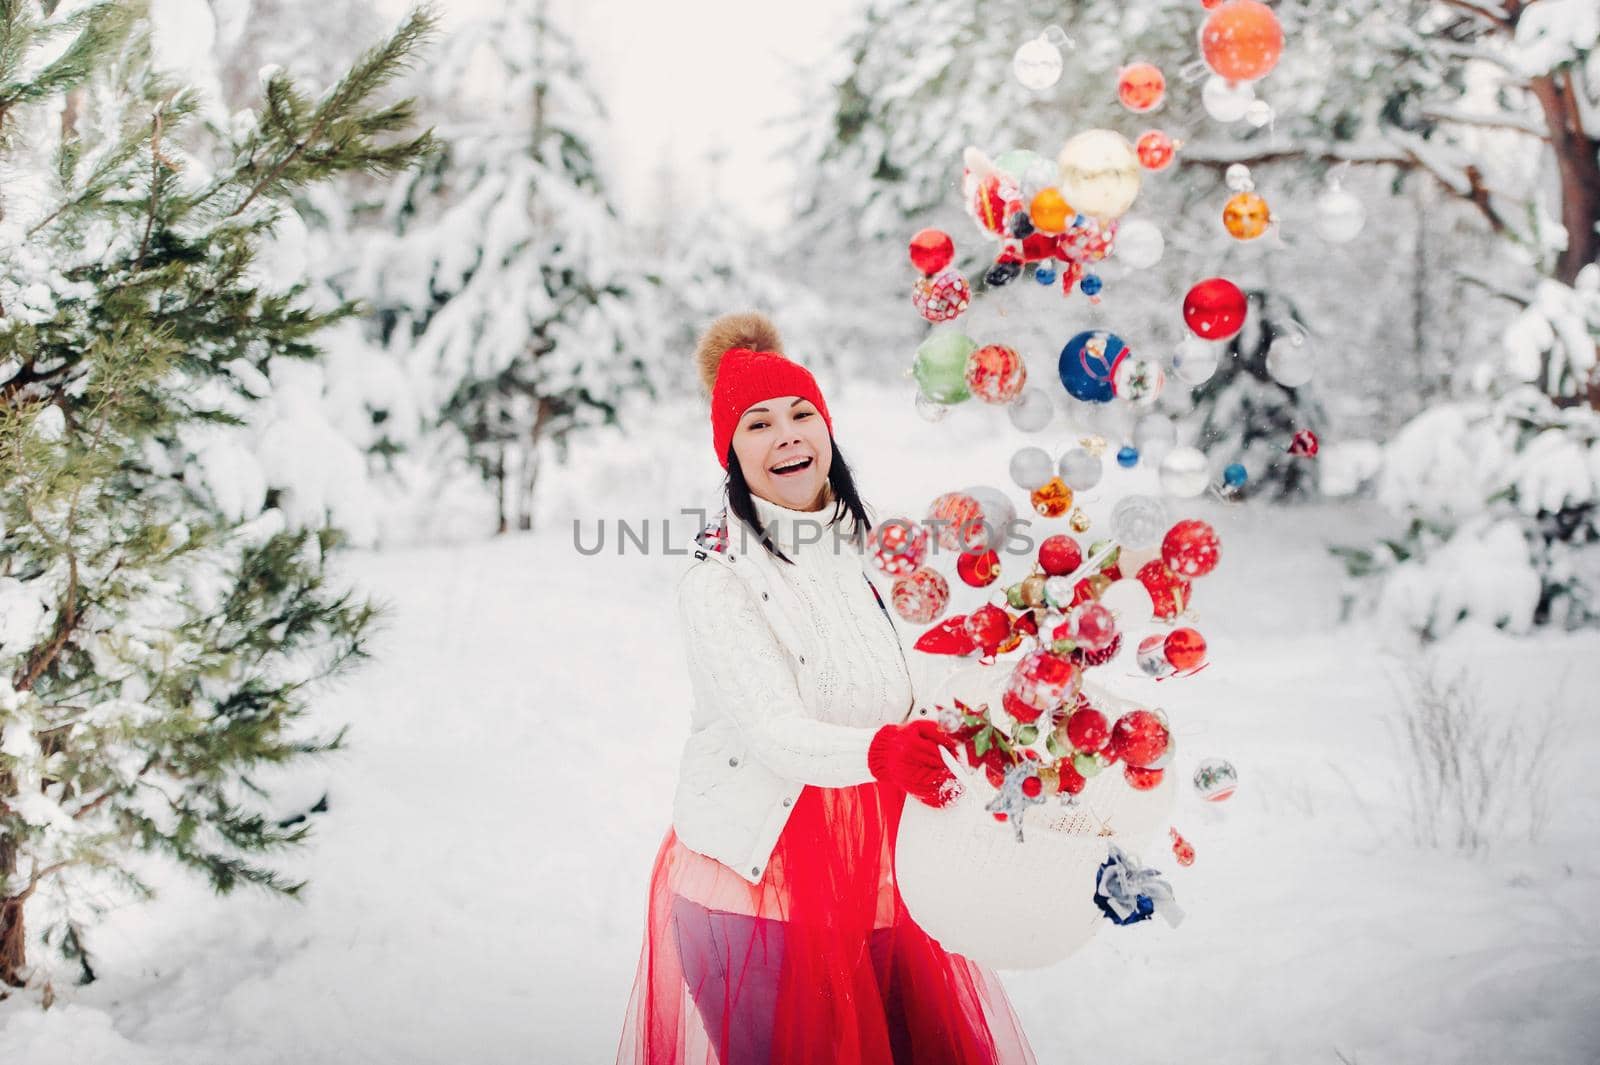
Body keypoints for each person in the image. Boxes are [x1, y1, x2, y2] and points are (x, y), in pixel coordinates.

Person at [614, 313, 1036, 1065]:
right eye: (759, 423)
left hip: (877, 880)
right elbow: (773, 730)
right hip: (760, 889)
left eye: (803, 414)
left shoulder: (861, 553)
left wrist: (996, 657)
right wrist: (884, 752)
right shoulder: (719, 582)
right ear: (729, 452)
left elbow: (900, 690)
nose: (788, 436)